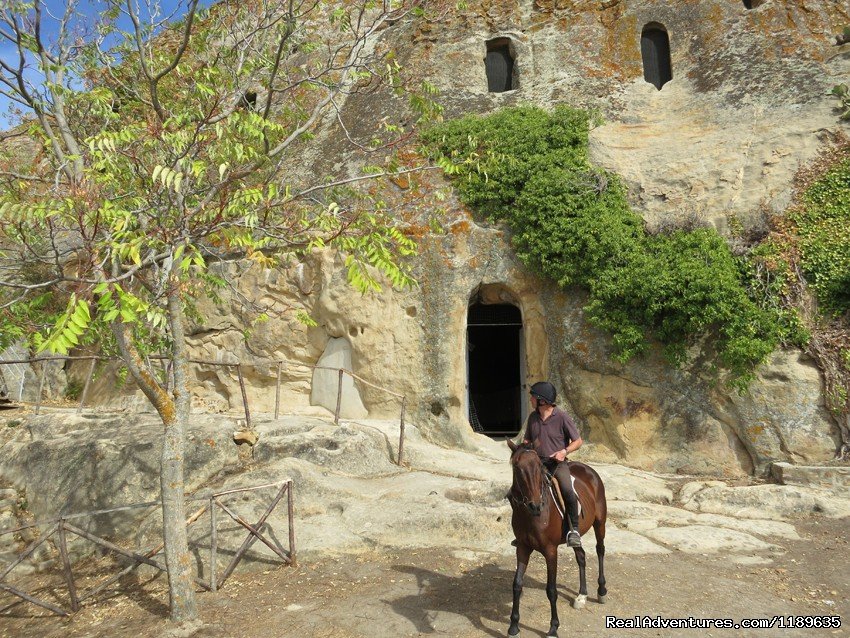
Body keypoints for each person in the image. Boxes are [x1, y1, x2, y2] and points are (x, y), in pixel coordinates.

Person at [521, 381, 583, 547]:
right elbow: (527, 439)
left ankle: (574, 530)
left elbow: (578, 441)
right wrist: (526, 446)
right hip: (537, 464)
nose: (531, 399)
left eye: (533, 397)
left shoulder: (561, 416)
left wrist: (564, 452)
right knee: (520, 489)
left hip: (556, 464)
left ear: (542, 400)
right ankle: (523, 531)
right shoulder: (533, 417)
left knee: (567, 489)